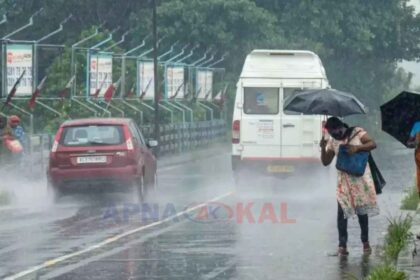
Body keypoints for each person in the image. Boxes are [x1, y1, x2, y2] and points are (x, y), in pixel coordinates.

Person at [320, 117, 379, 256]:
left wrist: (357, 148)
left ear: (341, 127)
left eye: (336, 131)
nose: (335, 135)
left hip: (360, 180)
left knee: (362, 212)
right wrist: (323, 147)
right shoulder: (333, 141)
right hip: (343, 182)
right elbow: (326, 162)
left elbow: (372, 143)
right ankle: (342, 246)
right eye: (331, 133)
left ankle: (365, 243)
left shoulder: (357, 133)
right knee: (341, 213)